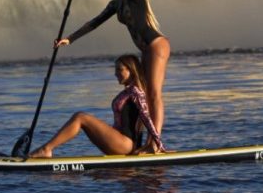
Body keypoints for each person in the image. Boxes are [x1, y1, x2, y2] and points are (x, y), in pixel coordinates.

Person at [55, 0, 170, 152]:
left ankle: (154, 144)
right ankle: (145, 141)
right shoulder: (117, 4)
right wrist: (70, 39)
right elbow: (94, 22)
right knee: (146, 95)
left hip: (156, 45)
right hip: (146, 50)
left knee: (153, 93)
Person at [29, 54, 164, 158]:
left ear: (131, 70)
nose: (115, 73)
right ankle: (46, 149)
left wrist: (157, 142)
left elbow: (146, 117)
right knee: (83, 122)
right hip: (120, 141)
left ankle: (46, 149)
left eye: (119, 69)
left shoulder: (136, 92)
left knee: (81, 117)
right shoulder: (128, 91)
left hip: (125, 144)